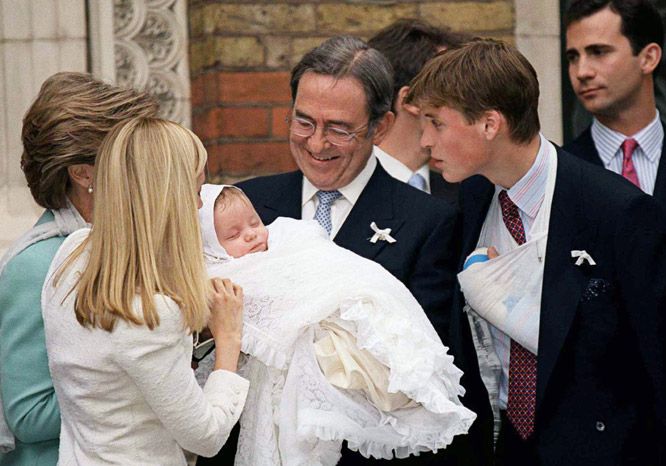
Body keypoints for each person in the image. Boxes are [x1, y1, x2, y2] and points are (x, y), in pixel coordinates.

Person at [201, 35, 492, 466]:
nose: (317, 145)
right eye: (304, 123)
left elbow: (421, 363)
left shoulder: (429, 222)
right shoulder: (243, 207)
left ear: (381, 127)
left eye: (339, 129)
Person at [406, 38, 666, 465]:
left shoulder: (618, 213)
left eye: (436, 123)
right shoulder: (471, 198)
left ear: (490, 124)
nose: (424, 140)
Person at [195, 184, 475, 465]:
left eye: (254, 222)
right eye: (233, 235)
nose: (251, 233)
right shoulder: (222, 275)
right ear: (213, 248)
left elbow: (343, 272)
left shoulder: (291, 238)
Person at [41, 118, 249, 465]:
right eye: (196, 192)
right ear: (166, 200)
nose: (200, 207)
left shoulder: (72, 252)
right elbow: (206, 436)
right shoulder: (150, 313)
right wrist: (228, 340)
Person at [0, 72, 157, 466]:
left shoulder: (113, 246)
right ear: (83, 173)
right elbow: (29, 416)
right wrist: (151, 383)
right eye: (127, 155)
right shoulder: (37, 265)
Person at [563, 0, 666, 257]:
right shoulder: (559, 174)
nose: (581, 71)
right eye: (573, 57)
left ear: (648, 58)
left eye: (598, 52)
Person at [368, 18, 465, 202]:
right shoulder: (345, 188)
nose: (467, 99)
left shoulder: (465, 196)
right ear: (410, 100)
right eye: (452, 85)